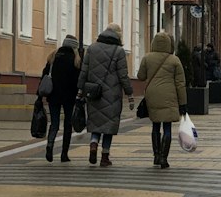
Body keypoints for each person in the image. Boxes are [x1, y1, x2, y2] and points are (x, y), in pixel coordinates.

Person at [78, 22, 133, 168]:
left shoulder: (92, 48)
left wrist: (79, 89)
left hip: (94, 93)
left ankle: (93, 144)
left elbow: (84, 71)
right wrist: (129, 92)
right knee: (108, 125)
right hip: (112, 95)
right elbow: (123, 75)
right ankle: (105, 157)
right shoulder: (119, 51)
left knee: (96, 123)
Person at [136, 31, 188, 168]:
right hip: (169, 96)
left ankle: (156, 156)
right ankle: (164, 158)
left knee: (155, 126)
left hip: (152, 95)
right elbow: (180, 84)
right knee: (167, 127)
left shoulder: (147, 58)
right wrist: (183, 103)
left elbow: (140, 76)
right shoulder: (174, 60)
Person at [42, 33, 81, 163]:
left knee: (54, 124)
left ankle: (50, 145)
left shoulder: (53, 57)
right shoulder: (75, 60)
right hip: (69, 97)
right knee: (68, 125)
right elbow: (78, 81)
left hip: (53, 95)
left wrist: (40, 95)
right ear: (74, 47)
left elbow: (44, 75)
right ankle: (64, 154)